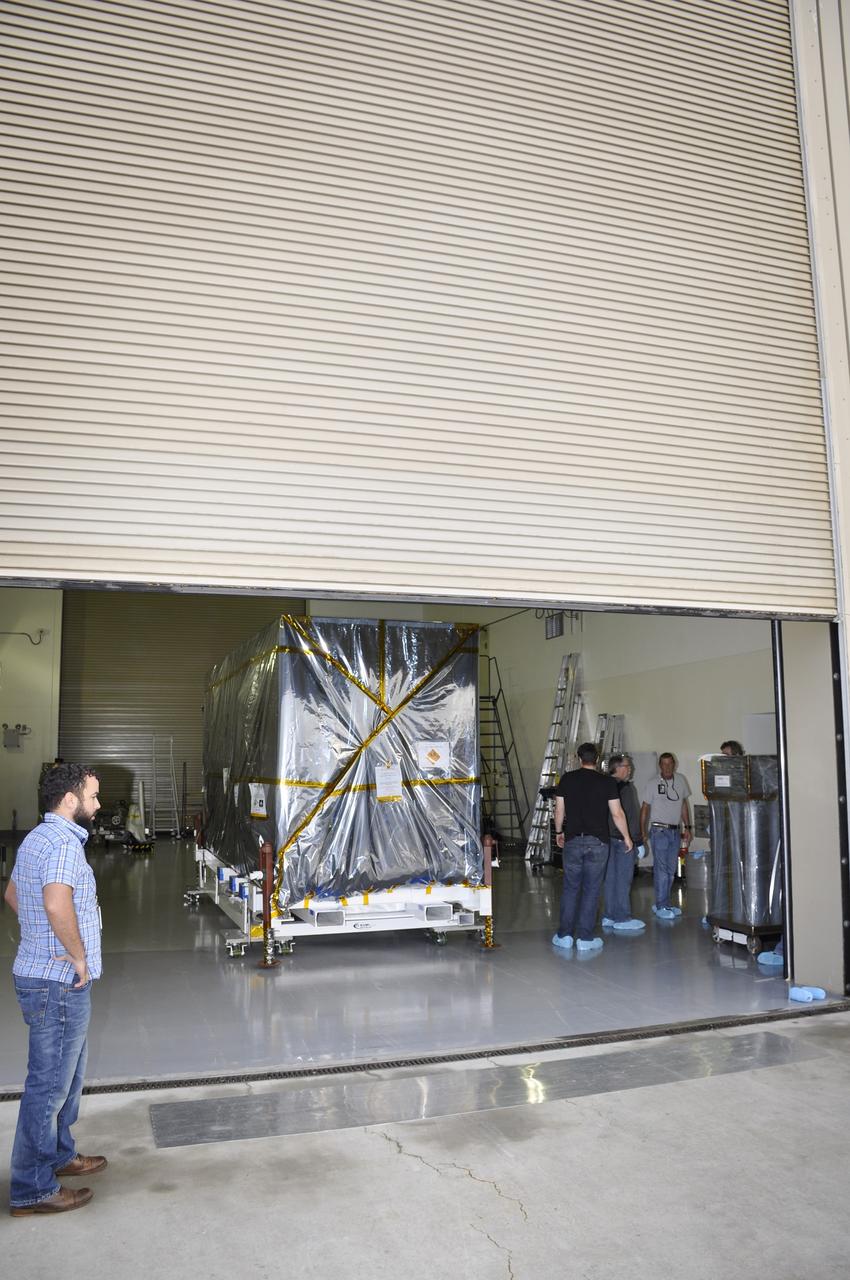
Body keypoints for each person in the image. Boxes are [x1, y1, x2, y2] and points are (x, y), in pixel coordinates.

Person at [5, 763, 107, 1217]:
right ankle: (31, 1188)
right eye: (93, 796)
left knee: (67, 1078)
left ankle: (60, 1154)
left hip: (44, 976)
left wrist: (40, 940)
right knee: (48, 1087)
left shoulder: (35, 838)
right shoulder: (64, 843)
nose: (98, 805)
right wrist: (76, 954)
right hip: (58, 982)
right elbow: (53, 900)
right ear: (70, 800)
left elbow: (12, 894)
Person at [552, 742, 633, 953]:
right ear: (597, 759)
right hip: (598, 843)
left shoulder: (567, 779)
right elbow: (617, 814)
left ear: (579, 758)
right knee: (592, 890)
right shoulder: (607, 782)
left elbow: (559, 810)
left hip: (572, 841)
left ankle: (564, 936)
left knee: (571, 888)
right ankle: (585, 938)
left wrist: (559, 832)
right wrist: (627, 837)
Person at [640, 752, 691, 921]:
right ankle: (662, 905)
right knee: (661, 870)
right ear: (659, 766)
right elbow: (645, 808)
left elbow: (683, 804)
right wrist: (643, 830)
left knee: (670, 871)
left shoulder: (681, 780)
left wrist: (688, 827)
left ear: (674, 764)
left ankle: (664, 903)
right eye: (664, 764)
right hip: (659, 831)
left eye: (670, 764)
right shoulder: (652, 783)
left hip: (675, 831)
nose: (667, 767)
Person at [601, 754, 645, 932]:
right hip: (622, 840)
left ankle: (609, 916)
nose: (630, 769)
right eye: (627, 766)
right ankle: (623, 917)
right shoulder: (625, 788)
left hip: (606, 839)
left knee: (610, 880)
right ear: (617, 768)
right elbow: (630, 816)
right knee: (623, 880)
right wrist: (637, 840)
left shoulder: (602, 785)